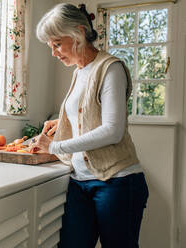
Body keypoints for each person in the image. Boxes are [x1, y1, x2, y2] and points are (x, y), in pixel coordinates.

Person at [30, 3, 149, 248]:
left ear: (79, 33)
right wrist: (64, 120)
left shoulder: (111, 68)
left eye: (57, 44)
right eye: (50, 46)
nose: (53, 52)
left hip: (117, 182)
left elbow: (112, 131)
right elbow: (87, 115)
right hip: (80, 182)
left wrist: (55, 146)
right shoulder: (79, 71)